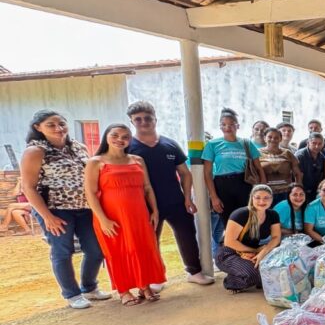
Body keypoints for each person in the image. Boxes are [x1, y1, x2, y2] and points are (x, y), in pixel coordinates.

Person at [20, 110, 109, 308]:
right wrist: (47, 216)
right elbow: (28, 187)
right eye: (51, 125)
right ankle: (72, 294)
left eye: (61, 124)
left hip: (84, 206)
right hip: (55, 209)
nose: (58, 128)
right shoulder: (35, 151)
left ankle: (89, 287)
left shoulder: (78, 147)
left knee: (96, 249)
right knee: (62, 250)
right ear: (38, 128)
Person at [126, 101, 212, 285]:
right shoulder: (128, 147)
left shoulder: (169, 144)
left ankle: (194, 272)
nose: (143, 122)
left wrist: (188, 198)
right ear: (132, 122)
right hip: (145, 204)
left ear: (155, 119)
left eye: (147, 118)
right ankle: (155, 277)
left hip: (175, 201)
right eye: (138, 119)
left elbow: (185, 173)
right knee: (150, 241)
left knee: (187, 235)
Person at [83, 124, 166, 305]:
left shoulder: (137, 160)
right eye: (115, 135)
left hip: (139, 214)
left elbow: (147, 187)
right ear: (106, 136)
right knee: (118, 251)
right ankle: (124, 290)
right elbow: (90, 193)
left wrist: (155, 211)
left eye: (125, 136)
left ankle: (145, 285)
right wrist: (103, 220)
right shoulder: (96, 162)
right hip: (111, 215)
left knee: (144, 247)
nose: (120, 139)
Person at [202, 108, 265, 252]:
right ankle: (234, 255)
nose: (227, 127)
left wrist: (262, 189)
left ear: (237, 126)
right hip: (222, 185)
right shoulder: (212, 144)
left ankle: (252, 252)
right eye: (224, 124)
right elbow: (207, 173)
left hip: (244, 183)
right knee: (229, 222)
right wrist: (214, 197)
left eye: (231, 124)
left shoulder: (247, 143)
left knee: (249, 219)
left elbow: (259, 168)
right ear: (220, 126)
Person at [216, 184, 281, 292]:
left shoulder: (273, 214)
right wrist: (255, 251)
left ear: (271, 199)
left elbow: (276, 237)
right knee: (256, 273)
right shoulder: (241, 214)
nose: (262, 201)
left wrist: (263, 252)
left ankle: (247, 273)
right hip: (229, 253)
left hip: (254, 251)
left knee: (275, 268)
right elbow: (229, 242)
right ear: (252, 198)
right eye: (258, 197)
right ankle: (232, 281)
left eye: (266, 198)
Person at [259, 127, 302, 205]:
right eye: (270, 137)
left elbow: (297, 173)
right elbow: (254, 173)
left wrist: (298, 188)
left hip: (286, 192)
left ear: (280, 139)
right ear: (265, 138)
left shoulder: (287, 153)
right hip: (266, 192)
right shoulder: (257, 153)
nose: (273, 139)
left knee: (285, 212)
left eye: (276, 137)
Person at [295, 132, 325, 203]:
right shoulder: (300, 156)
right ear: (308, 143)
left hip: (315, 191)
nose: (317, 146)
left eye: (319, 144)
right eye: (314, 143)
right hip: (301, 190)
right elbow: (298, 176)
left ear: (323, 144)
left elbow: (321, 175)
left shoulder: (321, 157)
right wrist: (300, 192)